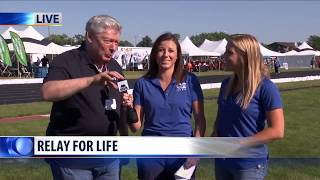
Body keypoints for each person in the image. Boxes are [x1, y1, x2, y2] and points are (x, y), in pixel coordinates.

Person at [42, 15, 129, 180]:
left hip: (108, 157)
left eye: (116, 42)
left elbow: (121, 108)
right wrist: (91, 80)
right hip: (72, 160)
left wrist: (124, 143)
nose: (114, 48)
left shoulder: (115, 66)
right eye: (108, 41)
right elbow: (48, 92)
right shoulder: (66, 61)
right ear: (89, 37)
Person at [122, 32, 206, 180]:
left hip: (183, 151)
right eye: (161, 50)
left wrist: (196, 152)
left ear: (178, 55)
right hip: (151, 153)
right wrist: (128, 107)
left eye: (171, 50)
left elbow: (200, 120)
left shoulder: (190, 80)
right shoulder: (143, 83)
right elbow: (135, 127)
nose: (165, 55)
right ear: (154, 54)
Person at [211, 34, 285, 180]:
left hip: (248, 164)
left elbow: (277, 130)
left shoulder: (266, 88)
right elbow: (220, 117)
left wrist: (240, 144)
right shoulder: (226, 84)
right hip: (222, 160)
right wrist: (215, 137)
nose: (223, 56)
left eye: (229, 52)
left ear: (245, 57)